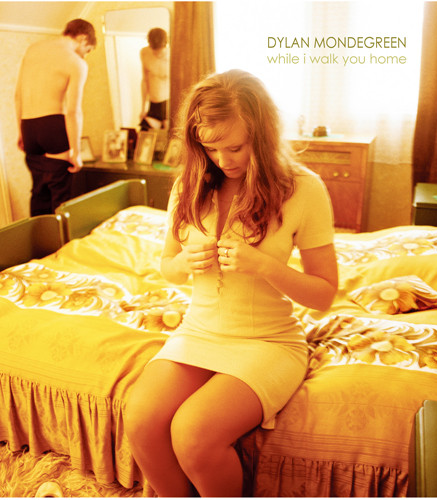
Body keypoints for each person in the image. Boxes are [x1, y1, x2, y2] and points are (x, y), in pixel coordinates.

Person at [124, 69, 338, 497]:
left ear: (263, 134)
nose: (223, 160)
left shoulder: (303, 189)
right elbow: (167, 266)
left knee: (193, 434)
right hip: (199, 331)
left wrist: (265, 267)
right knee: (140, 420)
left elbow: (324, 294)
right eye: (211, 147)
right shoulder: (189, 185)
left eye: (236, 147)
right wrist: (183, 262)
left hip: (268, 341)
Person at [15, 18, 96, 216]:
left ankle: (39, 236)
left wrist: (21, 132)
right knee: (61, 197)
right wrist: (76, 152)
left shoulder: (33, 49)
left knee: (38, 193)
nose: (85, 56)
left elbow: (18, 96)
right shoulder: (76, 63)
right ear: (83, 38)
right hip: (52, 126)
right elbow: (73, 111)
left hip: (28, 126)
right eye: (87, 51)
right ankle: (60, 237)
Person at [139, 27, 169, 131]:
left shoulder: (172, 56)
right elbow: (145, 80)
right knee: (144, 132)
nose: (157, 54)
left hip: (167, 103)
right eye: (154, 51)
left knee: (166, 136)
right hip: (153, 103)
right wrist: (143, 108)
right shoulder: (144, 53)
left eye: (160, 51)